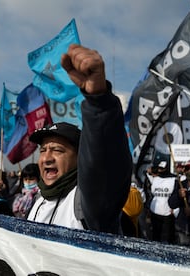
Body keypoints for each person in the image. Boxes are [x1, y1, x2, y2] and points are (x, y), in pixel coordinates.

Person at [26, 44, 132, 234]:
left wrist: (99, 101)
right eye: (43, 150)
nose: (47, 158)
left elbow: (102, 162)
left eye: (57, 150)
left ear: (79, 159)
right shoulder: (38, 200)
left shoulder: (87, 204)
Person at [146, 160, 176, 244]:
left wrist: (175, 209)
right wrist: (151, 170)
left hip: (168, 212)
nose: (160, 170)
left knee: (167, 237)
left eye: (162, 169)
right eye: (159, 168)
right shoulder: (155, 178)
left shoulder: (174, 179)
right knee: (155, 236)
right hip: (155, 211)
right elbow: (147, 172)